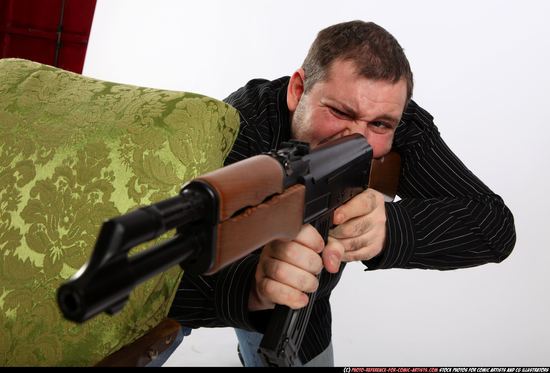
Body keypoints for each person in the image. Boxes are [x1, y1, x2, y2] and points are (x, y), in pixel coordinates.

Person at [168, 20, 516, 366]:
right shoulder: (235, 127)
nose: (357, 140)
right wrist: (252, 287)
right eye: (339, 112)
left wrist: (390, 230)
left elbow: (495, 226)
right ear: (297, 90)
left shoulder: (395, 117)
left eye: (379, 125)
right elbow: (165, 283)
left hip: (303, 306)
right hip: (201, 289)